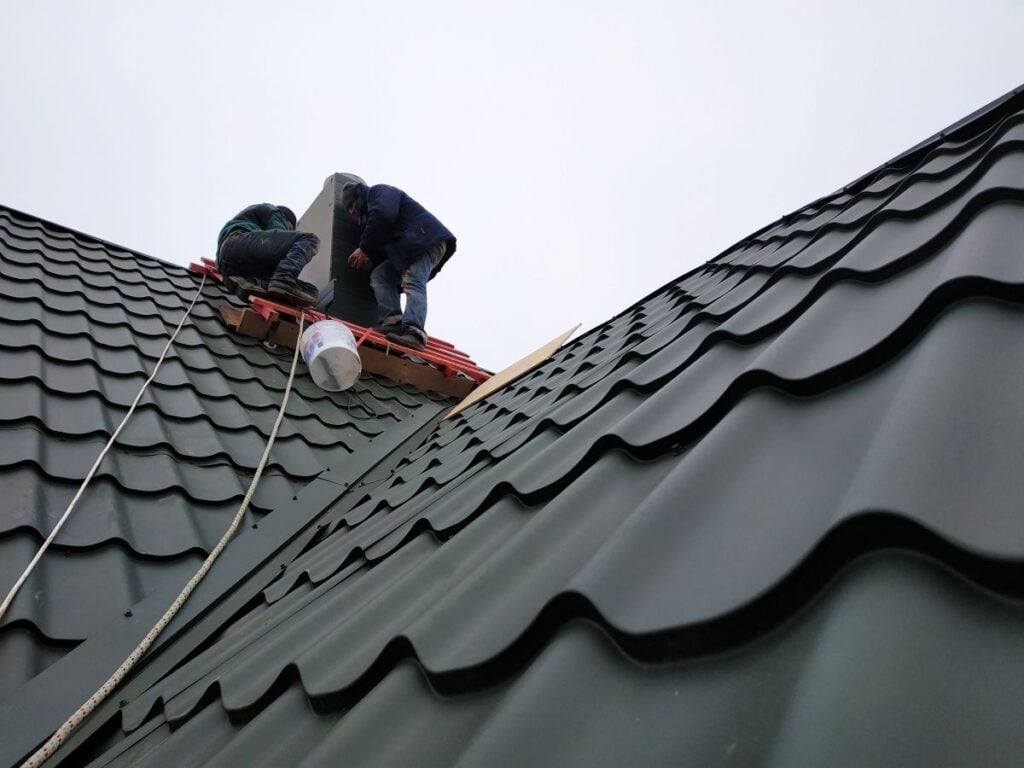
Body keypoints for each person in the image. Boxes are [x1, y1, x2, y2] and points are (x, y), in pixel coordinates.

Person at [340, 182, 456, 351]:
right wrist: (370, 259)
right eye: (347, 209)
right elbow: (383, 238)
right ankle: (393, 321)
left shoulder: (379, 192)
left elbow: (384, 215)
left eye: (351, 205)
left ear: (359, 195)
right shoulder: (369, 216)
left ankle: (415, 332)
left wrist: (364, 248)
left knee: (413, 280)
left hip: (424, 240)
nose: (351, 211)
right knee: (380, 275)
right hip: (409, 246)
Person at [216, 203, 321, 306]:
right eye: (289, 229)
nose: (288, 233)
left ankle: (256, 283)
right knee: (310, 240)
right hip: (239, 244)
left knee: (310, 290)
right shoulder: (274, 211)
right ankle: (284, 279)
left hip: (229, 265)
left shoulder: (249, 218)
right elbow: (279, 245)